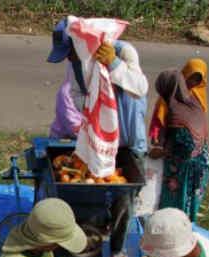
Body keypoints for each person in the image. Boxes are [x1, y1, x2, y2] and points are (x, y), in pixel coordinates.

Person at [47, 17, 149, 162]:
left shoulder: (123, 51)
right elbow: (76, 95)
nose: (69, 58)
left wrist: (114, 63)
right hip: (103, 144)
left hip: (130, 140)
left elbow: (140, 88)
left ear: (81, 42)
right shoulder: (76, 64)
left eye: (70, 52)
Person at [150, 70, 209, 223]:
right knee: (190, 210)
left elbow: (182, 145)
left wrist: (161, 152)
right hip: (202, 166)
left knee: (174, 213)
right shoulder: (194, 103)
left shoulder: (176, 111)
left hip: (186, 170)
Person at [149, 58, 208, 145]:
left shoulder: (199, 95)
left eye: (197, 80)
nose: (193, 82)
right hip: (170, 138)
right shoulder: (172, 90)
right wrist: (155, 135)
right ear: (185, 74)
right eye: (191, 77)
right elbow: (159, 115)